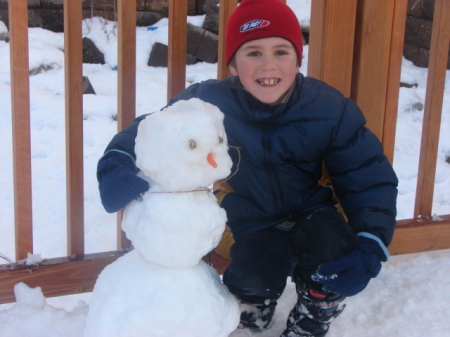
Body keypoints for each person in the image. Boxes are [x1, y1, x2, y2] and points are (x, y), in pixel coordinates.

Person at [96, 0, 398, 336]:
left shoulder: (330, 109)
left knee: (332, 246)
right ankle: (253, 305)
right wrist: (117, 163)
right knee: (253, 268)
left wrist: (371, 246)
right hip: (245, 213)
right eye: (253, 53)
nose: (268, 66)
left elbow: (369, 180)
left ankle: (316, 309)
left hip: (314, 210)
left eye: (281, 52)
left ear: (298, 59)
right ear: (233, 65)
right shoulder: (209, 103)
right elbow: (150, 130)